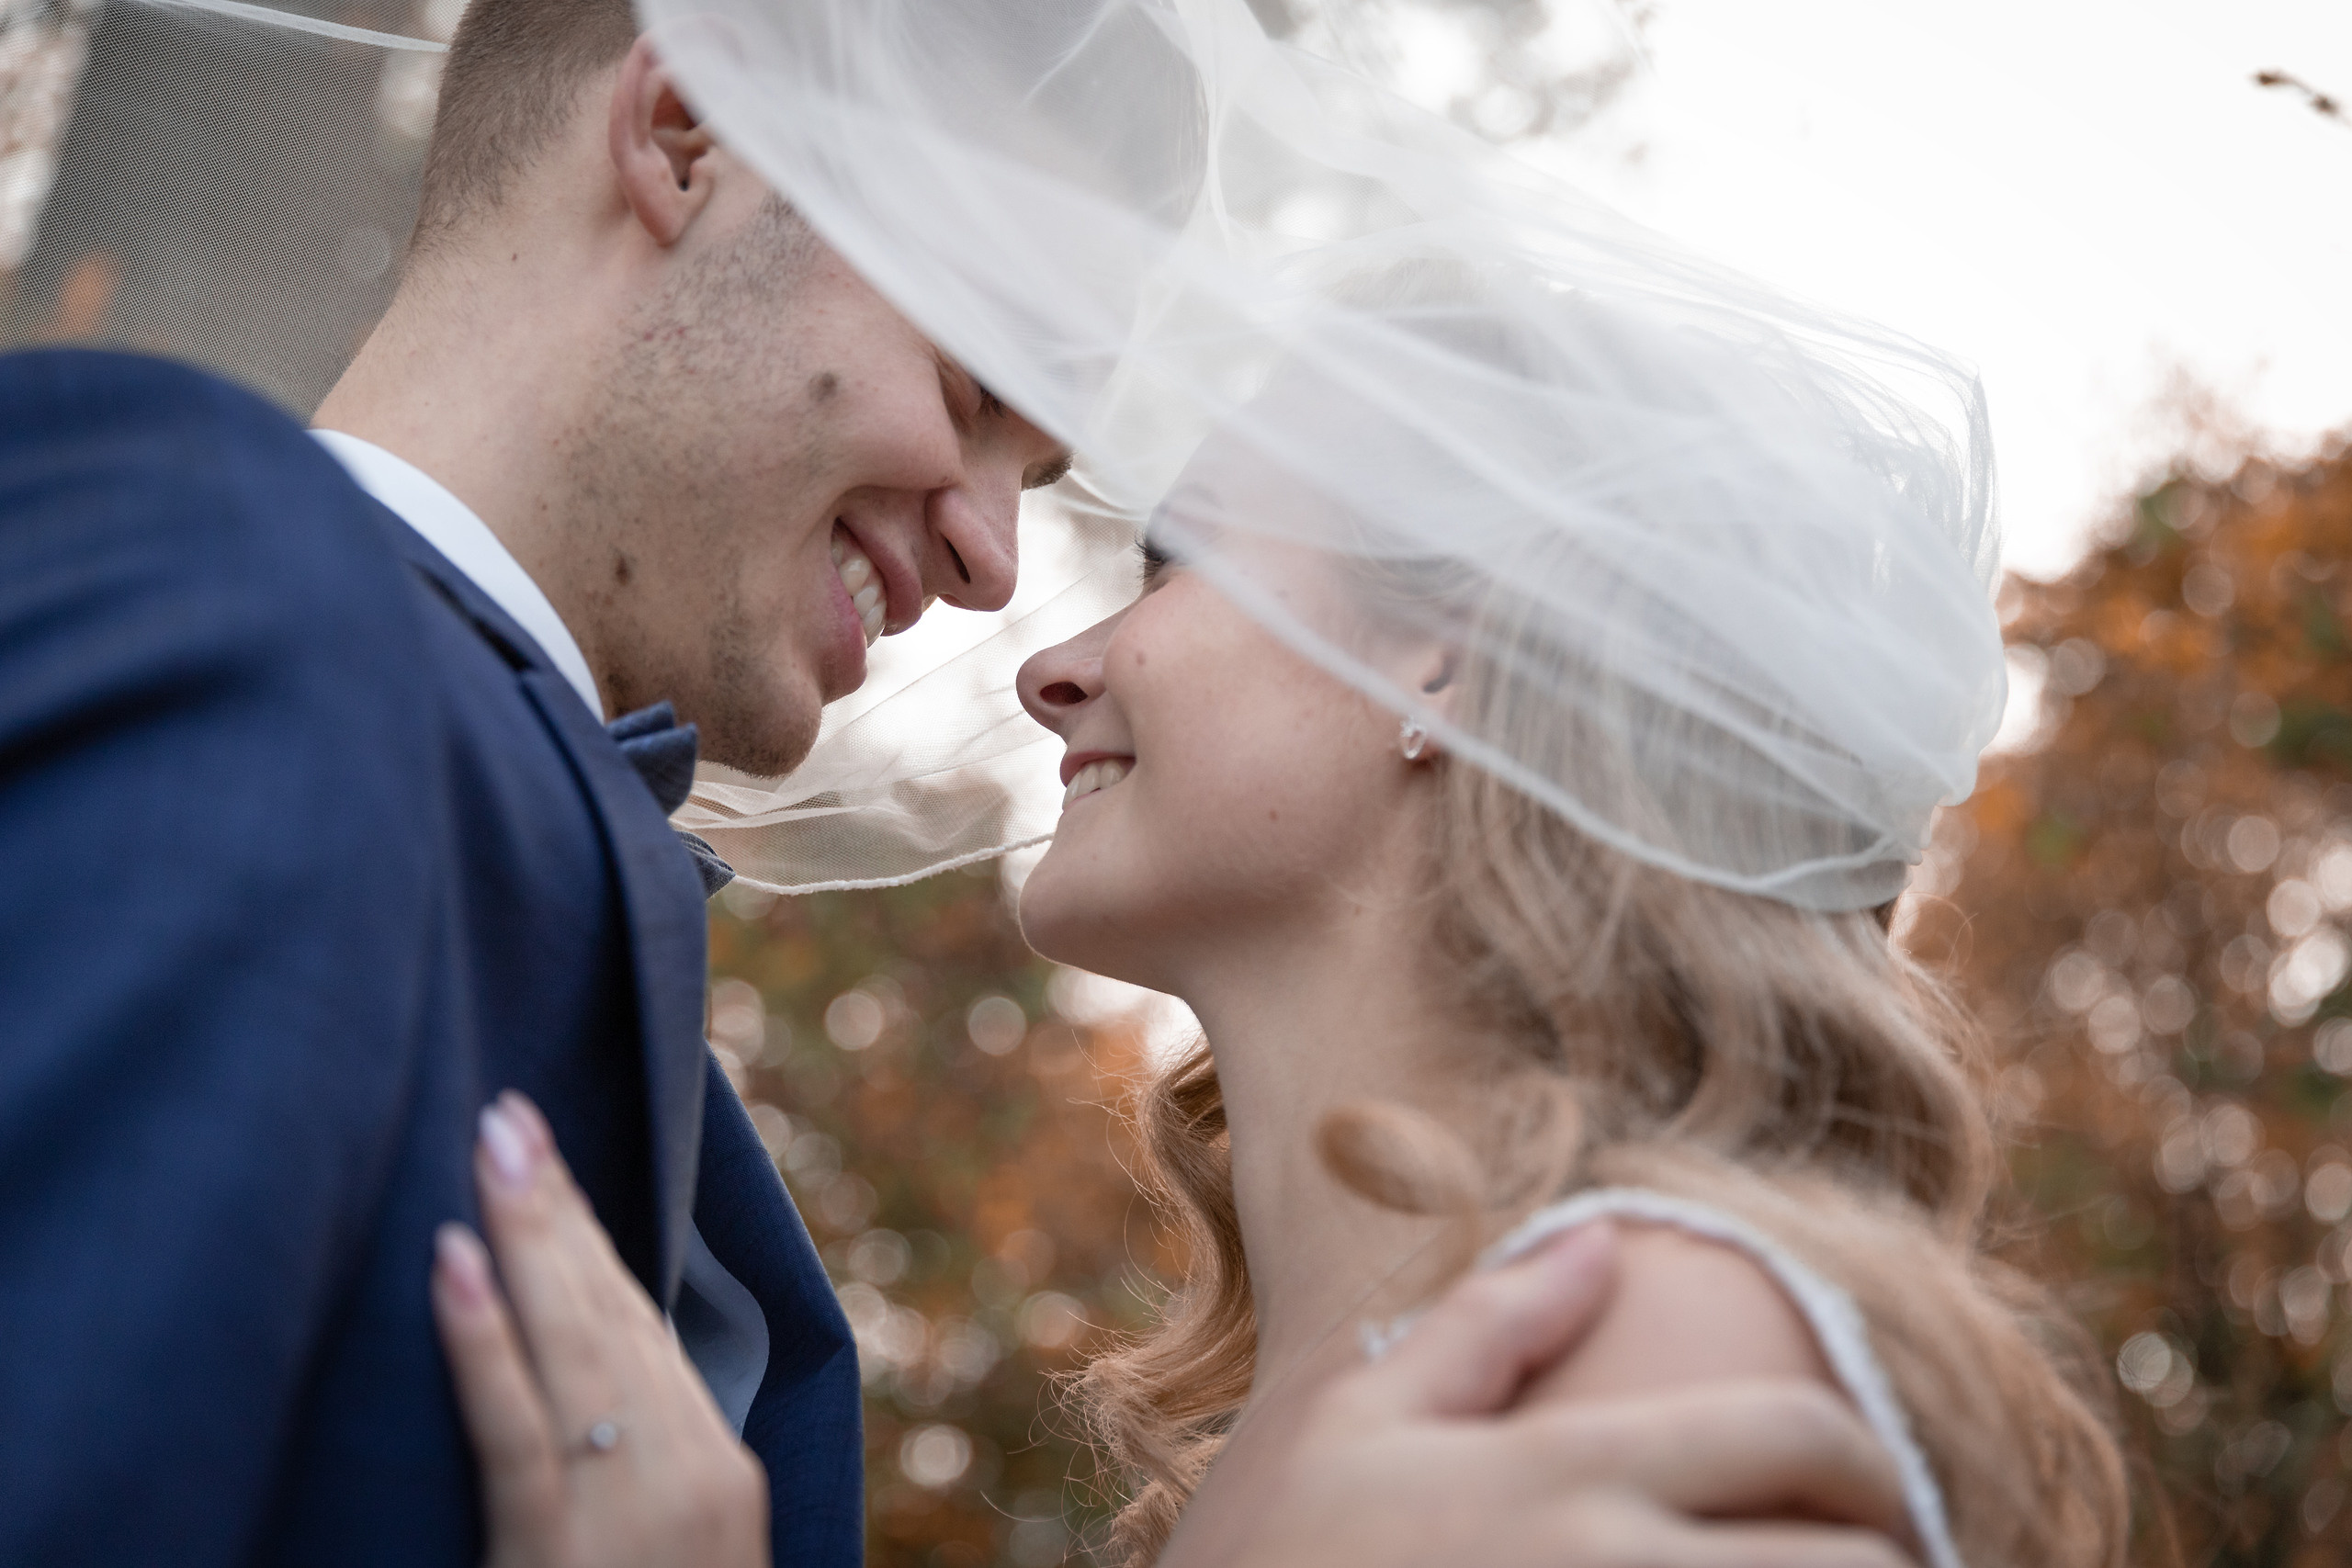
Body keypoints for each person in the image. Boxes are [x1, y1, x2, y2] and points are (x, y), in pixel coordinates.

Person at [0, 0, 1938, 1562]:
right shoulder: (222, 584)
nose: (1007, 574)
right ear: (683, 139)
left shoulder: (716, 1168)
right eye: (977, 377)